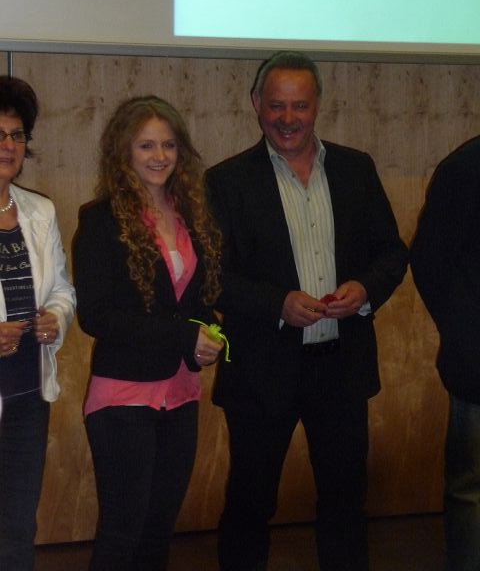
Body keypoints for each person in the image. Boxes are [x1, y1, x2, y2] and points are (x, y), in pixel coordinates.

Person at [206, 51, 408, 571]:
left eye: (299, 106)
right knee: (250, 505)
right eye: (277, 105)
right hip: (261, 370)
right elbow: (213, 277)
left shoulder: (356, 169)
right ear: (257, 104)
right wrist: (277, 303)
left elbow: (391, 253)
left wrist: (365, 288)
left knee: (346, 504)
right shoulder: (226, 181)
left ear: (318, 105)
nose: (288, 118)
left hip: (340, 368)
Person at [72, 95, 224, 571]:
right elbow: (96, 316)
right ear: (124, 152)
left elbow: (196, 303)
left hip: (180, 393)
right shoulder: (100, 220)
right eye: (146, 146)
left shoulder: (191, 214)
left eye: (169, 145)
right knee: (123, 532)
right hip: (124, 396)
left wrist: (211, 332)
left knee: (159, 532)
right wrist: (182, 337)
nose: (160, 156)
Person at [0, 76, 76, 571]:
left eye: (16, 135)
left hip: (28, 393)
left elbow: (63, 290)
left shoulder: (40, 211)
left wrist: (56, 318)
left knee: (16, 526)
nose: (8, 146)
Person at [410, 135, 480, 571]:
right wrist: (464, 333)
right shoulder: (466, 167)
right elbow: (430, 261)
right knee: (472, 489)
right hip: (477, 363)